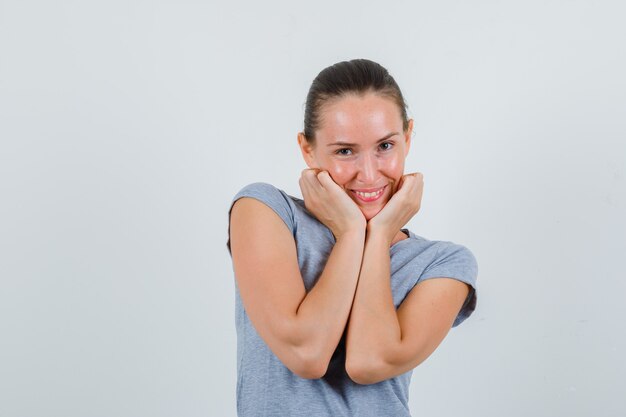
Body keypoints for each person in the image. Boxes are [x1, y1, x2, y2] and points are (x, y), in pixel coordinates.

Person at [227, 59, 478, 417]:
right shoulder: (265, 211)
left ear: (407, 138)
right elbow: (307, 353)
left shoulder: (443, 264)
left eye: (385, 146)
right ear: (307, 149)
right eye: (345, 151)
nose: (369, 173)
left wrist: (375, 237)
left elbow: (369, 361)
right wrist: (350, 232)